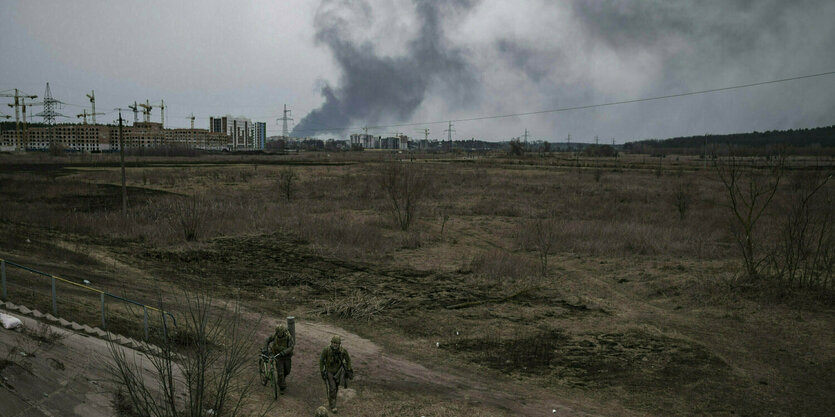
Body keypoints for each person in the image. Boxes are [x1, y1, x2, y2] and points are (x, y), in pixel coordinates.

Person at [319, 335, 353, 413]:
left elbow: (348, 360)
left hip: (338, 372)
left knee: (336, 388)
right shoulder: (326, 350)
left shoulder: (343, 351)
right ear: (331, 342)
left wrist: (348, 368)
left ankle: (332, 399)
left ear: (339, 344)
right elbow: (321, 360)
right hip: (329, 371)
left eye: (337, 343)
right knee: (332, 388)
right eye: (334, 343)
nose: (335, 344)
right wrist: (322, 370)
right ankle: (333, 406)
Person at [264, 323, 294, 394]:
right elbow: (267, 340)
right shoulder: (275, 336)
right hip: (278, 356)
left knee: (287, 370)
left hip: (286, 356)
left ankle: (280, 380)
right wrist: (266, 349)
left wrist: (284, 352)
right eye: (278, 333)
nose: (279, 334)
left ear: (283, 332)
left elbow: (291, 347)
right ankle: (282, 387)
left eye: (280, 332)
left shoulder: (288, 337)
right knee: (280, 372)